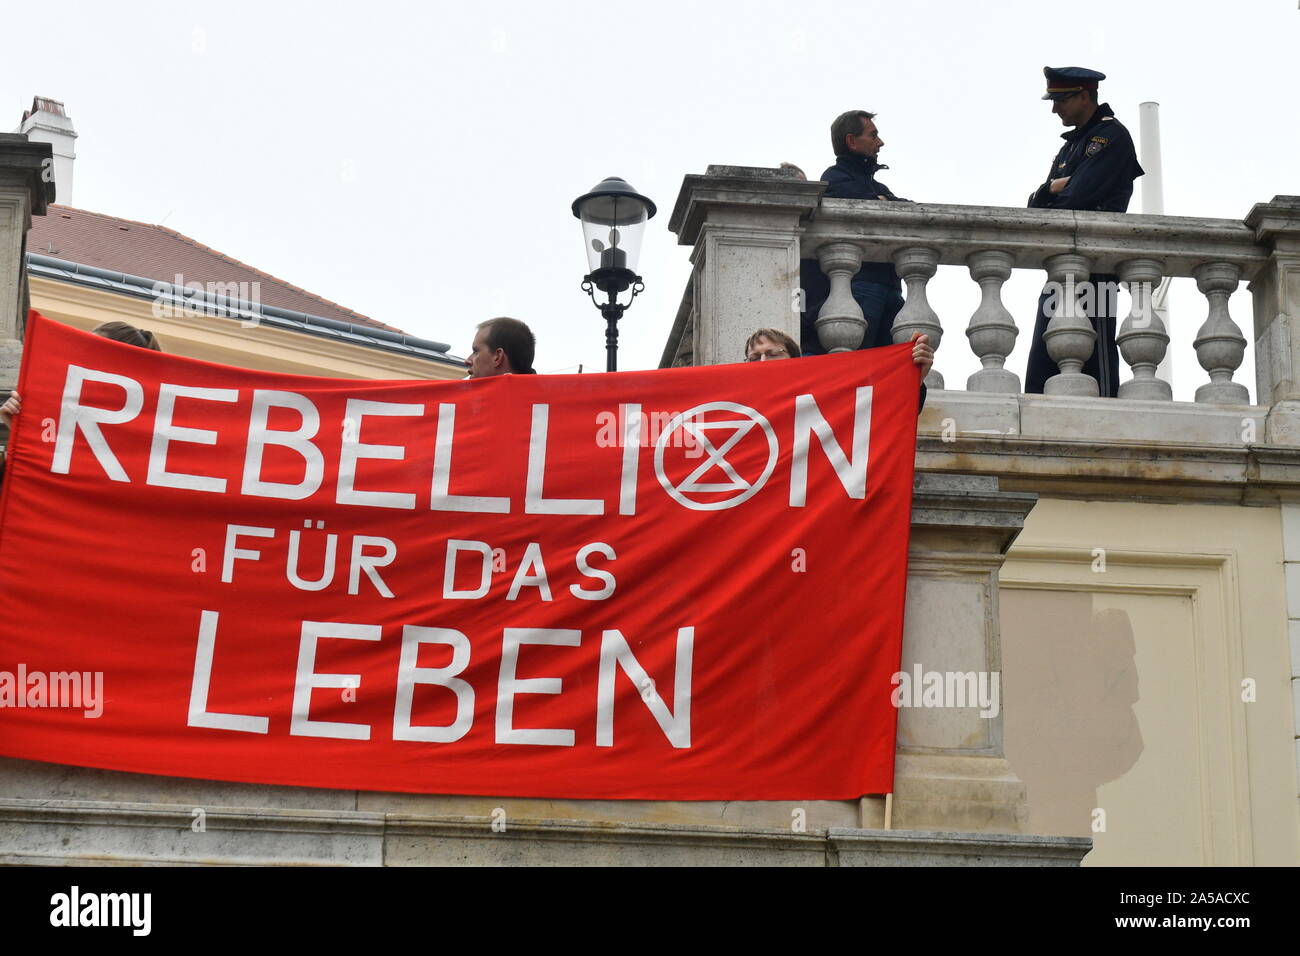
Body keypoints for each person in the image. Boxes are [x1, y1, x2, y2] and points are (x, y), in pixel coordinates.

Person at [1024, 67, 1144, 397]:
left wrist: (1051, 194)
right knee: (1042, 365)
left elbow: (1077, 199)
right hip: (1061, 265)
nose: (1054, 108)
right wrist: (1048, 190)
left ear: (1083, 96)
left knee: (1097, 364)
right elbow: (1037, 210)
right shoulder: (1070, 148)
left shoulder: (1111, 138)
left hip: (1096, 267)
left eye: (1061, 100)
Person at [801, 109, 911, 358]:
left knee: (890, 364)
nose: (880, 143)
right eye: (873, 135)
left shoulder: (875, 185)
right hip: (861, 286)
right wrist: (881, 200)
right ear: (851, 141)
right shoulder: (835, 178)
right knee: (859, 362)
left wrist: (883, 199)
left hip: (890, 287)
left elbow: (907, 207)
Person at [0, 321, 163, 481]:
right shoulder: (56, 411)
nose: (80, 356)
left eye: (91, 350)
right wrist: (19, 433)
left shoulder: (144, 440)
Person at [744, 327, 934, 410]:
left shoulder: (821, 398)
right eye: (754, 358)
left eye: (773, 354)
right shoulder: (734, 406)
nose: (762, 362)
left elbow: (881, 414)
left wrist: (914, 377)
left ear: (795, 360)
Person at [466, 317, 537, 378]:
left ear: (497, 356)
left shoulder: (461, 392)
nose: (467, 361)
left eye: (475, 351)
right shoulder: (542, 392)